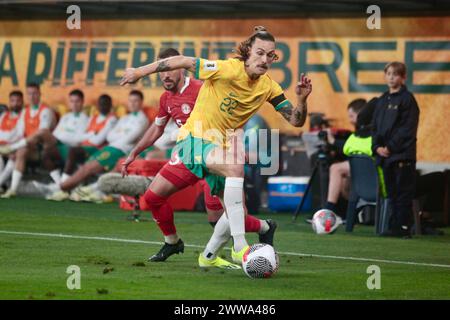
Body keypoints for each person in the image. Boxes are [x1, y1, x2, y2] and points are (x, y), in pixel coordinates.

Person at [120, 26, 312, 266]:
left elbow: (295, 120)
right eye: (259, 53)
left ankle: (208, 256)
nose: (264, 60)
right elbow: (183, 60)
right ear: (247, 52)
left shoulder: (269, 87)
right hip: (194, 141)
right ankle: (240, 247)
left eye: (270, 55)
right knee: (234, 168)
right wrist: (139, 71)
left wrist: (302, 100)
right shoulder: (227, 68)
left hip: (218, 148)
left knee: (235, 211)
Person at [46, 90, 148, 201]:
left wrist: (119, 135)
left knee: (88, 168)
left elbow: (128, 140)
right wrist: (121, 136)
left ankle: (61, 188)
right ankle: (75, 189)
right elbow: (110, 136)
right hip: (111, 147)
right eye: (130, 101)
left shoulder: (142, 120)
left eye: (136, 101)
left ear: (141, 102)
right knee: (87, 168)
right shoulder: (124, 118)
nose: (132, 103)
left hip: (121, 150)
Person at [372, 61, 420, 238]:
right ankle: (394, 226)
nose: (392, 77)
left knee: (403, 194)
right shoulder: (383, 99)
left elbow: (407, 129)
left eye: (396, 74)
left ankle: (404, 227)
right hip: (385, 157)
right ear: (385, 76)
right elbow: (375, 126)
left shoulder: (408, 100)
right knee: (391, 193)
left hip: (402, 155)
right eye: (389, 73)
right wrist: (377, 147)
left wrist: (390, 147)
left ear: (403, 77)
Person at [0, 83, 56, 198]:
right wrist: (12, 146)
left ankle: (10, 188)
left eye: (34, 93)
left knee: (35, 137)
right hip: (26, 147)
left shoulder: (46, 110)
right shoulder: (25, 112)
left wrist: (13, 147)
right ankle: (11, 189)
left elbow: (41, 134)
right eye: (29, 94)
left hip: (42, 148)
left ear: (40, 94)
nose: (32, 96)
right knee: (17, 153)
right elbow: (20, 133)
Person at [323, 98, 369, 217]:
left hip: (370, 166)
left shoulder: (369, 129)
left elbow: (352, 147)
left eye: (351, 116)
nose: (350, 120)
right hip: (362, 167)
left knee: (336, 168)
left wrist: (333, 141)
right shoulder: (361, 129)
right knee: (344, 182)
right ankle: (350, 214)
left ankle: (328, 211)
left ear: (360, 114)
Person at [37, 89, 89, 185]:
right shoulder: (65, 116)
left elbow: (78, 139)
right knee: (45, 155)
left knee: (43, 133)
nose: (74, 104)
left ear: (82, 102)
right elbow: (56, 133)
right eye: (72, 101)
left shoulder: (85, 119)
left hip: (70, 148)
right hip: (58, 145)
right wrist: (64, 136)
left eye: (77, 101)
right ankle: (59, 183)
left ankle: (62, 185)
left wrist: (63, 136)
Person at [0, 91, 24, 191]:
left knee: (13, 159)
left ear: (22, 101)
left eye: (18, 101)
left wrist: (11, 148)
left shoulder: (24, 115)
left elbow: (23, 135)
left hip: (14, 147)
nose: (15, 103)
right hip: (1, 146)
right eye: (12, 101)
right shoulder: (4, 115)